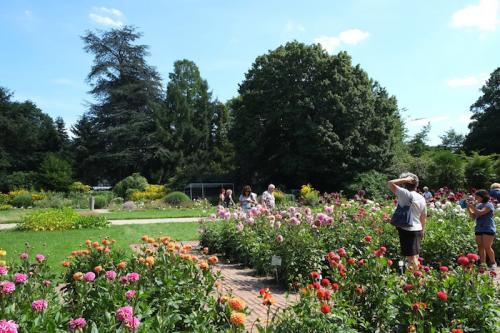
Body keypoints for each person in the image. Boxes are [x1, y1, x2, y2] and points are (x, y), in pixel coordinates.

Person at [388, 172, 427, 270]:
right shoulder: (421, 197)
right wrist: (422, 231)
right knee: (415, 256)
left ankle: (414, 280)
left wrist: (404, 179)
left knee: (411, 258)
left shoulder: (404, 193)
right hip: (417, 229)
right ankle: (415, 278)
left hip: (407, 229)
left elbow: (390, 183)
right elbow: (423, 216)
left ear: (405, 184)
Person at [467, 190, 496, 270]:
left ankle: (493, 262)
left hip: (488, 227)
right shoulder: (479, 205)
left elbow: (480, 213)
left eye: (477, 197)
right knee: (480, 246)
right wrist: (469, 208)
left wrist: (472, 207)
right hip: (479, 227)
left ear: (483, 196)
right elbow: (473, 216)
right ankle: (483, 264)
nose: (476, 198)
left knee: (487, 246)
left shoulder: (489, 205)